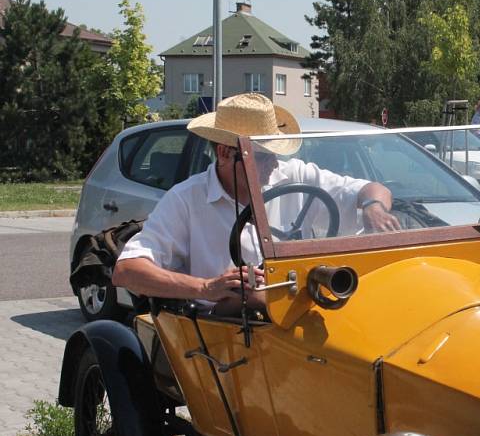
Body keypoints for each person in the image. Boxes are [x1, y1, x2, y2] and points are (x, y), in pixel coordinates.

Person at [113, 93, 400, 310]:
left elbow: (372, 189)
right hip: (225, 333)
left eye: (275, 153)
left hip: (299, 314)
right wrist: (206, 287)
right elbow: (127, 271)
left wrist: (372, 207)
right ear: (225, 153)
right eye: (262, 156)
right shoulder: (186, 199)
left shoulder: (295, 174)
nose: (274, 164)